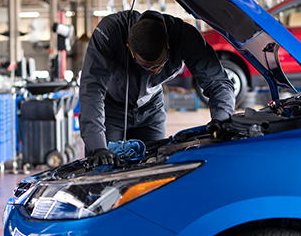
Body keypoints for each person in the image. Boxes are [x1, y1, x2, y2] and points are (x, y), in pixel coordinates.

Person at [79, 10, 235, 166]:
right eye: (147, 66)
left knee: (156, 168)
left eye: (160, 64)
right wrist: (97, 147)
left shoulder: (185, 36)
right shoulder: (110, 32)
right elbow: (92, 88)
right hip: (110, 109)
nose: (154, 71)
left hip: (151, 109)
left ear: (167, 41)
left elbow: (218, 82)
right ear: (129, 48)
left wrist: (221, 120)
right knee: (104, 168)